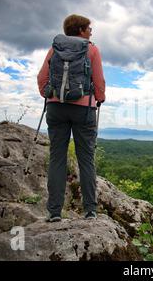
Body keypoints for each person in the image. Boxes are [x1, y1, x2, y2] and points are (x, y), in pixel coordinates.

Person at [37, 14, 105, 222]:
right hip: (83, 109)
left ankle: (55, 212)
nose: (91, 31)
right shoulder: (91, 49)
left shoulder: (54, 49)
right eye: (89, 28)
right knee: (86, 159)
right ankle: (90, 211)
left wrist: (48, 94)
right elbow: (98, 80)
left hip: (56, 107)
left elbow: (42, 78)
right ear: (81, 30)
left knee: (57, 157)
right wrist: (100, 98)